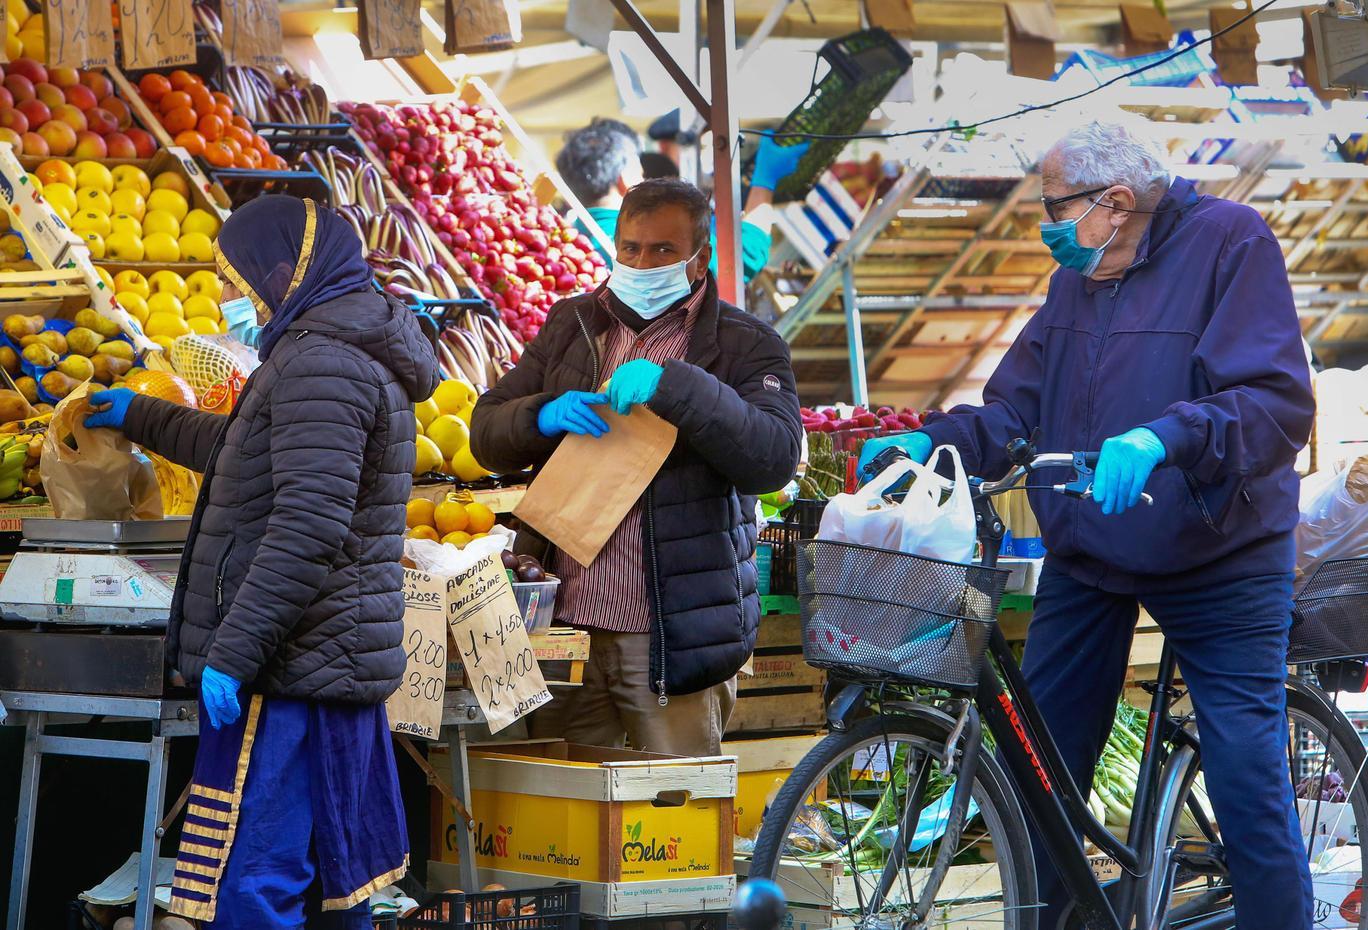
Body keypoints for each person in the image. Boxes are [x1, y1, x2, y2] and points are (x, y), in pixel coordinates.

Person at [859, 120, 1316, 930]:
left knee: (1246, 775)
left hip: (1220, 553)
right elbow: (1017, 408)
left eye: (1054, 207)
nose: (1047, 227)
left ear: (1116, 201)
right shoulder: (1078, 277)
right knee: (1041, 772)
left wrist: (1164, 438)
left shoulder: (1232, 241)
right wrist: (937, 441)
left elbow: (1276, 405)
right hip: (1093, 550)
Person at [84, 195, 439, 928]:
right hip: (322, 659)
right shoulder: (330, 350)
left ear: (284, 272)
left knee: (256, 877)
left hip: (292, 667)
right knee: (326, 880)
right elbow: (246, 452)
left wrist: (235, 652)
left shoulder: (321, 364)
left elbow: (308, 525)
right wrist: (140, 414)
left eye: (236, 278)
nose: (229, 295)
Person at [469, 178, 803, 757]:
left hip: (671, 640)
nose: (643, 263)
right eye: (630, 248)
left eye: (664, 250)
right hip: (564, 632)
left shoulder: (745, 343)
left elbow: (773, 458)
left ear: (699, 259)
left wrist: (677, 386)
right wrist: (540, 415)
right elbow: (485, 433)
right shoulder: (573, 324)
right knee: (559, 800)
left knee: (675, 804)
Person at [554, 119, 808, 284]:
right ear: (624, 178)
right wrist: (765, 181)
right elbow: (738, 260)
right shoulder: (643, 237)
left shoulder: (568, 241)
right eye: (640, 171)